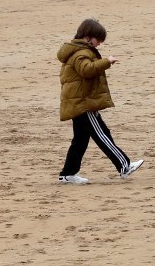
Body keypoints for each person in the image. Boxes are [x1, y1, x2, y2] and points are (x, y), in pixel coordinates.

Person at [58, 18, 144, 185]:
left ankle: (68, 173)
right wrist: (106, 61)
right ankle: (124, 165)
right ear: (88, 37)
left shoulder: (78, 50)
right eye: (98, 40)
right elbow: (87, 70)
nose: (99, 44)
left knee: (80, 140)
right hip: (83, 104)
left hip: (79, 102)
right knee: (102, 134)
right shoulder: (80, 53)